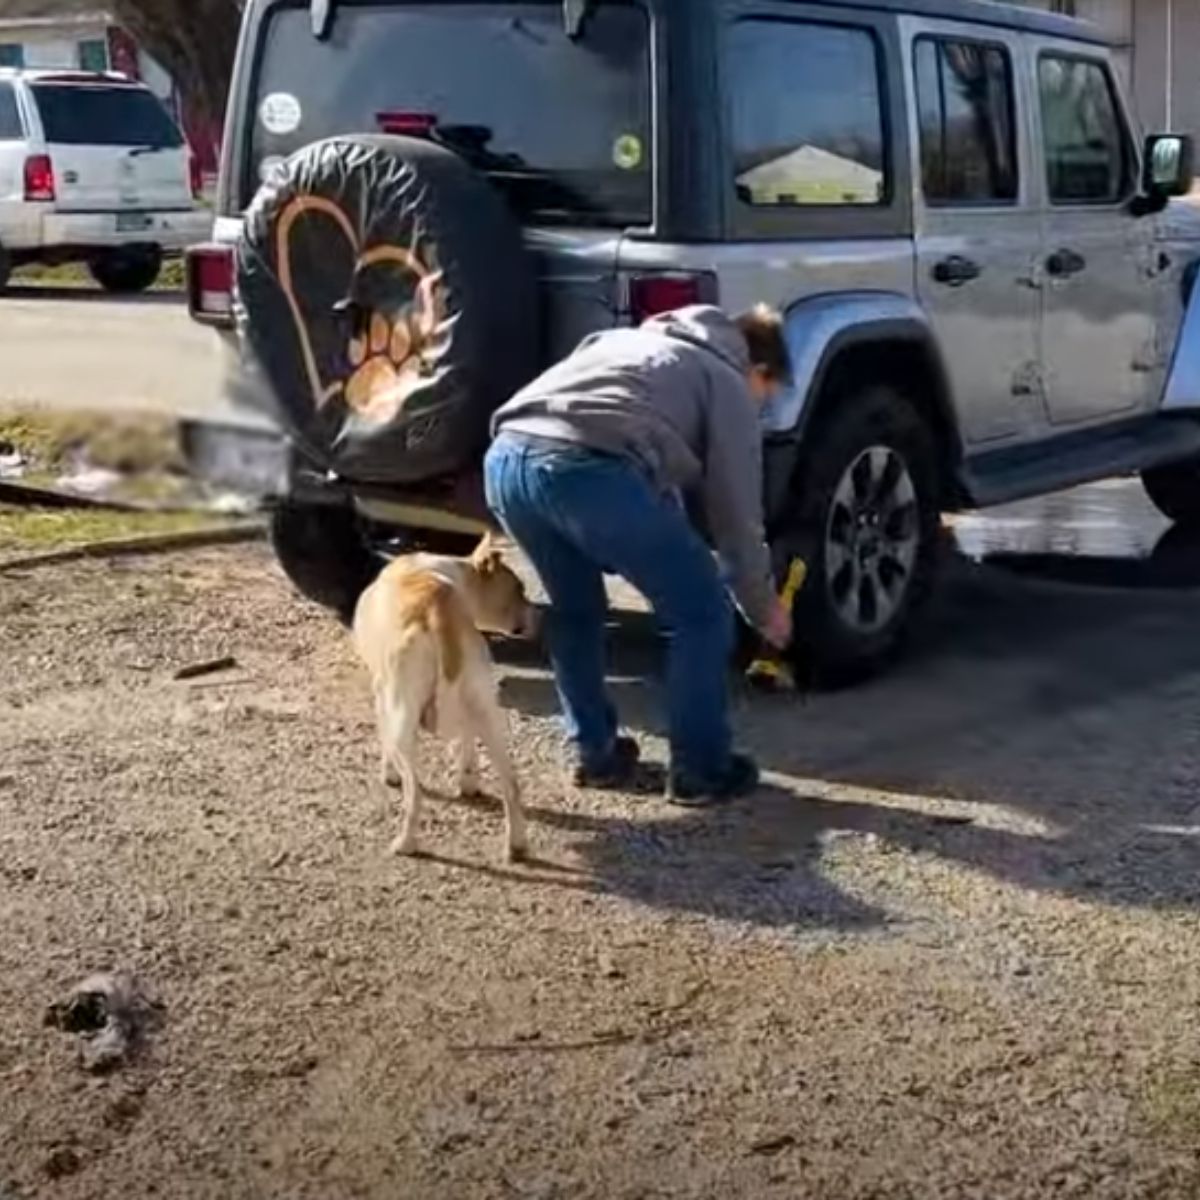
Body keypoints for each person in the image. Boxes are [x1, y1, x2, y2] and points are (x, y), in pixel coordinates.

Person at [483, 304, 793, 806]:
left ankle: (596, 754)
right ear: (759, 369)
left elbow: (656, 477)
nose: (762, 407)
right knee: (702, 612)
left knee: (575, 610)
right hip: (586, 470)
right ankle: (702, 770)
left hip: (506, 461)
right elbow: (736, 515)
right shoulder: (726, 379)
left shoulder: (619, 343)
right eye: (768, 395)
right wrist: (764, 609)